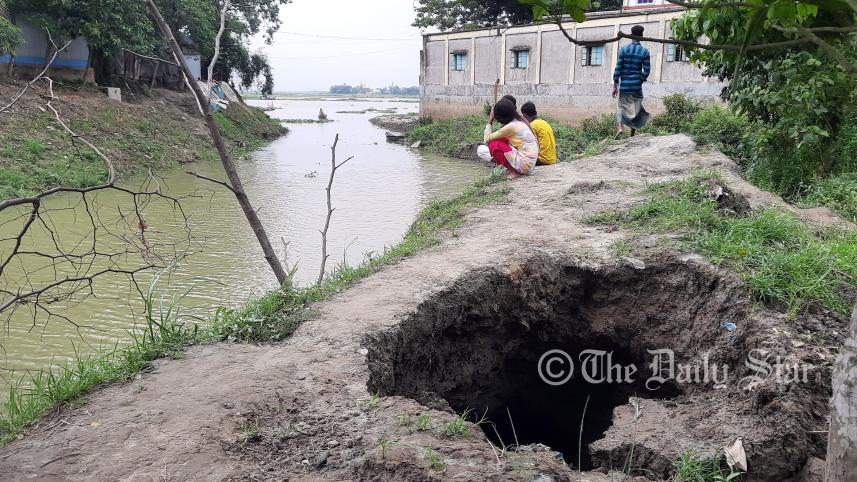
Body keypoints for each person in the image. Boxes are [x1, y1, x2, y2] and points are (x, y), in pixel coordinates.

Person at [477, 98, 539, 178]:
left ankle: (513, 171)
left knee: (494, 144)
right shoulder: (518, 123)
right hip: (529, 164)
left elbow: (487, 139)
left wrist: (490, 120)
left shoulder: (510, 127)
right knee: (498, 141)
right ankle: (511, 168)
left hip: (525, 166)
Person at [612, 25, 651, 137]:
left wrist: (615, 83)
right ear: (642, 36)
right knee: (636, 110)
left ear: (630, 35)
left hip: (624, 86)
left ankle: (620, 128)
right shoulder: (644, 52)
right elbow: (647, 70)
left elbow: (618, 68)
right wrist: (640, 80)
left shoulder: (623, 50)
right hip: (636, 87)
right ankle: (632, 135)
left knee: (621, 107)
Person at [521, 101, 557, 166]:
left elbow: (530, 145)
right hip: (552, 159)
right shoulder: (544, 122)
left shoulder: (532, 126)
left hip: (543, 160)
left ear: (524, 116)